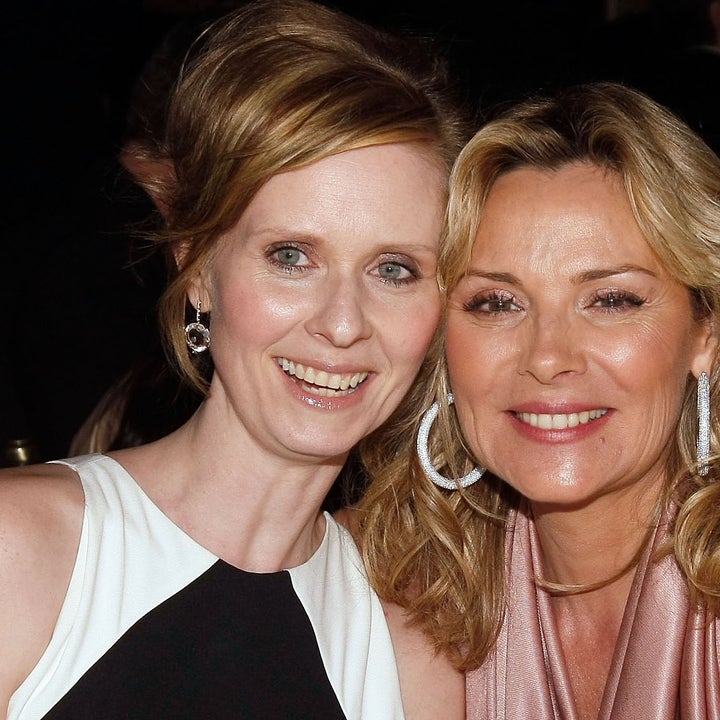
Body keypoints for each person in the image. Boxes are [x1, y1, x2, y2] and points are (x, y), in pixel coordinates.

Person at [0, 1, 472, 717]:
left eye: (394, 269)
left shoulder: (414, 651)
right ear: (196, 268)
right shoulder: (23, 553)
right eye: (292, 257)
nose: (343, 323)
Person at [356, 80, 720, 718]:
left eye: (611, 300)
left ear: (705, 332)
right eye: (497, 303)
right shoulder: (375, 584)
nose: (548, 357)